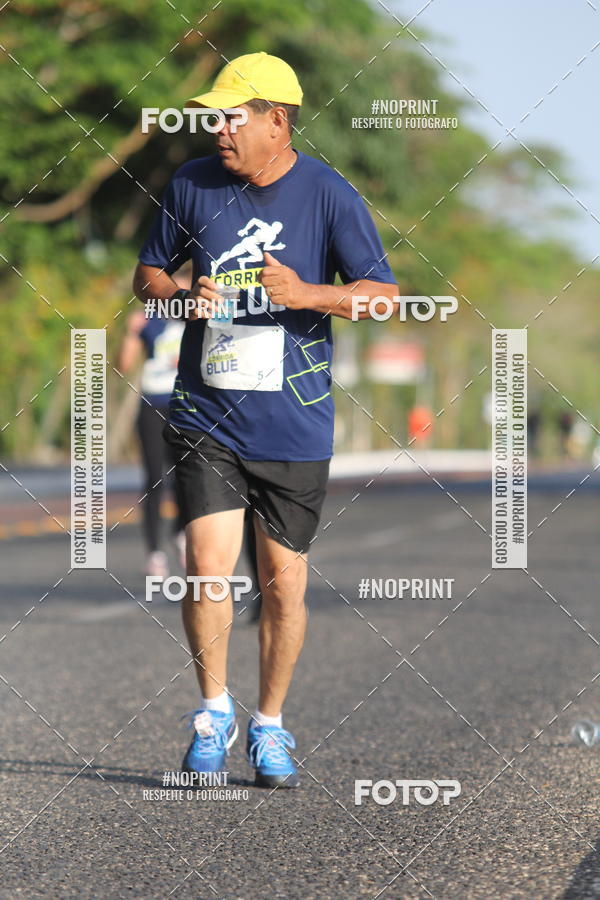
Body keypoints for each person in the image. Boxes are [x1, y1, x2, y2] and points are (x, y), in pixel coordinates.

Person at [133, 52, 397, 787]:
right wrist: (183, 298)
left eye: (231, 116)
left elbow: (384, 295)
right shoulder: (190, 183)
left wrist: (309, 293)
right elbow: (147, 276)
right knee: (206, 564)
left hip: (294, 421)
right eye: (213, 116)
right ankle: (213, 709)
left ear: (276, 121)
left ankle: (270, 724)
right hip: (205, 409)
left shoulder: (329, 195)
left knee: (283, 582)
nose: (217, 129)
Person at [117, 296, 186, 577]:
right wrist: (130, 332)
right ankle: (154, 553)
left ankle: (181, 532)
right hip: (153, 406)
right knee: (154, 479)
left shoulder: (199, 315)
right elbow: (123, 364)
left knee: (187, 477)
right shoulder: (150, 319)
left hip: (187, 406)